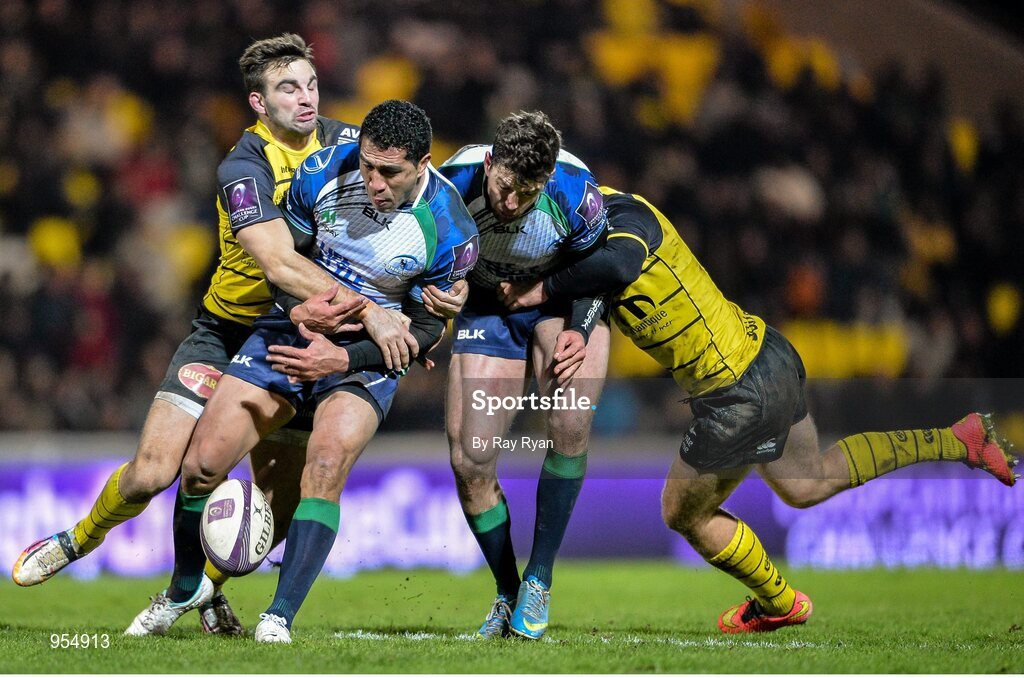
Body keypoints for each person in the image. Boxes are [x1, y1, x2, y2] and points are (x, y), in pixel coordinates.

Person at [10, 33, 418, 635]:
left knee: (275, 509)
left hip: (297, 337)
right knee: (154, 472)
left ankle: (204, 589)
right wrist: (374, 312)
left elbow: (415, 191)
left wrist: (438, 289)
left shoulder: (350, 146)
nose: (306, 98)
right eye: (287, 88)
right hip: (227, 331)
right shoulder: (244, 168)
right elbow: (279, 265)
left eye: (310, 84)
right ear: (258, 103)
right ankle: (82, 537)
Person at [498, 186, 1019, 633]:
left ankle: (778, 604)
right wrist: (579, 327)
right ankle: (959, 439)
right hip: (765, 352)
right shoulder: (591, 232)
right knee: (806, 483)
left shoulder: (625, 218)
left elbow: (618, 264)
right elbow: (599, 283)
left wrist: (536, 290)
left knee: (682, 512)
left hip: (736, 392)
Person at [125, 99, 479, 644]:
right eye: (367, 165)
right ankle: (184, 587)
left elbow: (427, 332)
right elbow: (278, 264)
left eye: (389, 172)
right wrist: (295, 310)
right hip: (292, 331)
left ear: (423, 163)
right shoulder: (321, 174)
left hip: (363, 360)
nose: (374, 181)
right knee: (200, 465)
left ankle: (278, 617)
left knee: (327, 461)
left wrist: (344, 356)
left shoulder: (453, 228)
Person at [437, 111, 610, 641]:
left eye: (527, 193)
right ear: (490, 163)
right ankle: (508, 592)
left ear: (548, 180)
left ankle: (539, 578)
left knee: (570, 419)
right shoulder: (449, 185)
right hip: (488, 308)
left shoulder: (577, 194)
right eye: (505, 187)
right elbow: (422, 262)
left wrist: (580, 329)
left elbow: (599, 271)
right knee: (470, 459)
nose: (511, 204)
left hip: (559, 302)